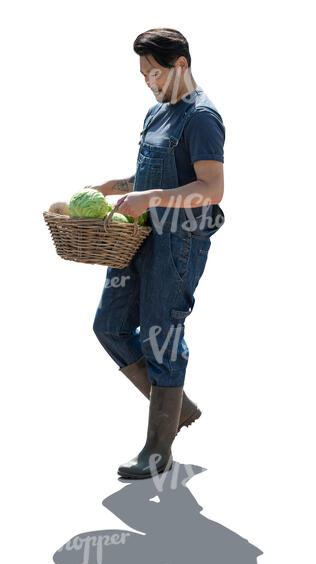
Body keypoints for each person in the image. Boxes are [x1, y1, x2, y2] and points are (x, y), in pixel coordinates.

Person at [89, 28, 225, 480]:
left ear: (181, 64)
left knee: (161, 335)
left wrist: (149, 197)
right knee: (109, 325)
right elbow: (154, 175)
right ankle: (177, 406)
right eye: (143, 72)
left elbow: (211, 189)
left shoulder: (202, 118)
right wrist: (116, 187)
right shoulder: (156, 114)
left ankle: (157, 448)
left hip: (178, 241)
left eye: (155, 71)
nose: (148, 79)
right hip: (140, 237)